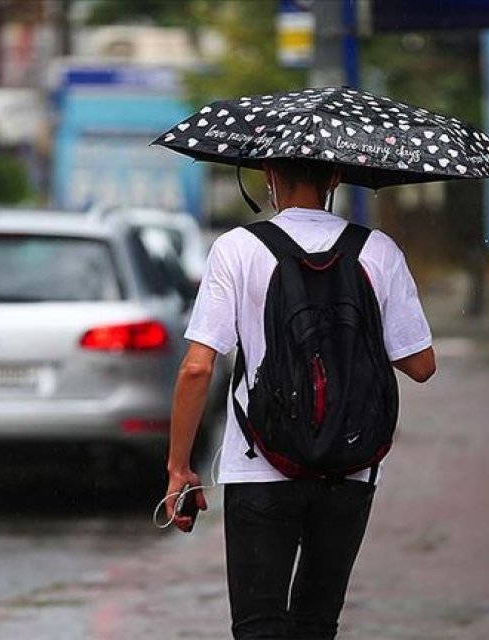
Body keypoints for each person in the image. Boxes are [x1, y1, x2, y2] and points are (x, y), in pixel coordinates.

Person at [164, 158, 437, 639]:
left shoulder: (237, 249)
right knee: (316, 624)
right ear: (335, 178)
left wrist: (179, 468)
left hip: (258, 465)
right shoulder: (377, 250)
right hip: (350, 464)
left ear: (268, 175)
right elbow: (421, 365)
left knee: (258, 626)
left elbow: (196, 367)